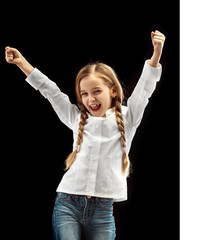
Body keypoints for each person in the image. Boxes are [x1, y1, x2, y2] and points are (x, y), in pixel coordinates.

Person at [5, 30, 165, 240]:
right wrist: (22, 63)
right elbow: (51, 92)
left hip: (102, 211)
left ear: (113, 91)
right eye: (85, 94)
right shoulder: (76, 117)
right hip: (67, 204)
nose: (91, 99)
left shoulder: (128, 118)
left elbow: (144, 89)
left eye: (97, 91)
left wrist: (156, 55)